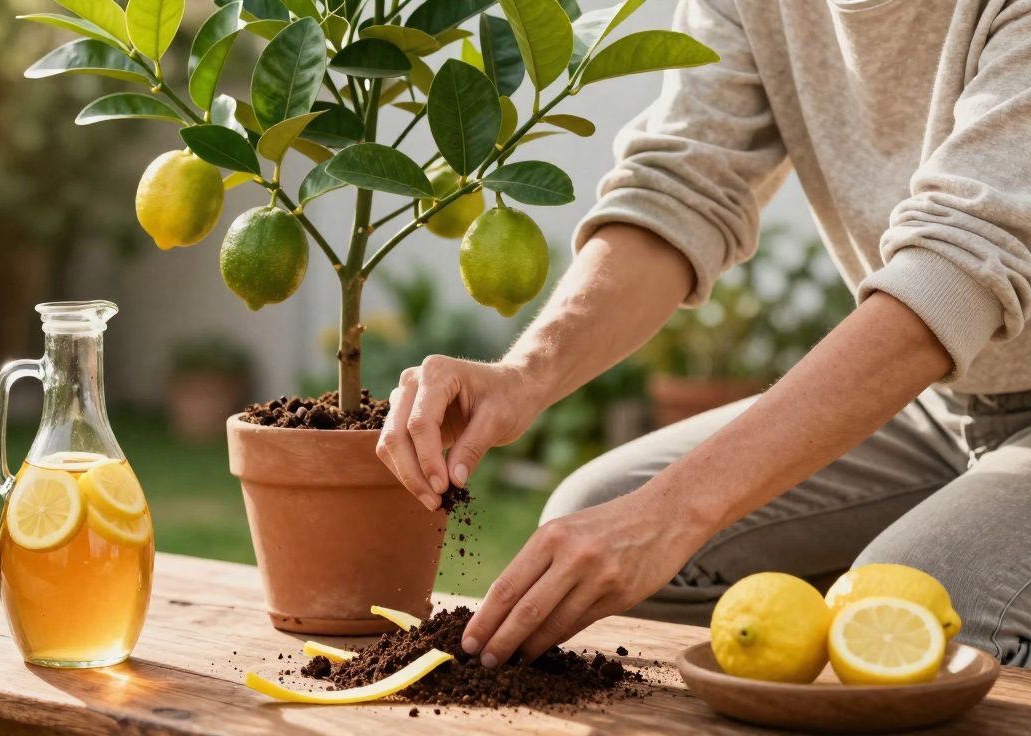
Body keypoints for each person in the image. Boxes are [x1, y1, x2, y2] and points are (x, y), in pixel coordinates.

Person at [376, 0, 1031, 670]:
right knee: (591, 520)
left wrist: (672, 514)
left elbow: (959, 272)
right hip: (931, 405)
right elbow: (681, 187)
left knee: (921, 622)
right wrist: (526, 374)